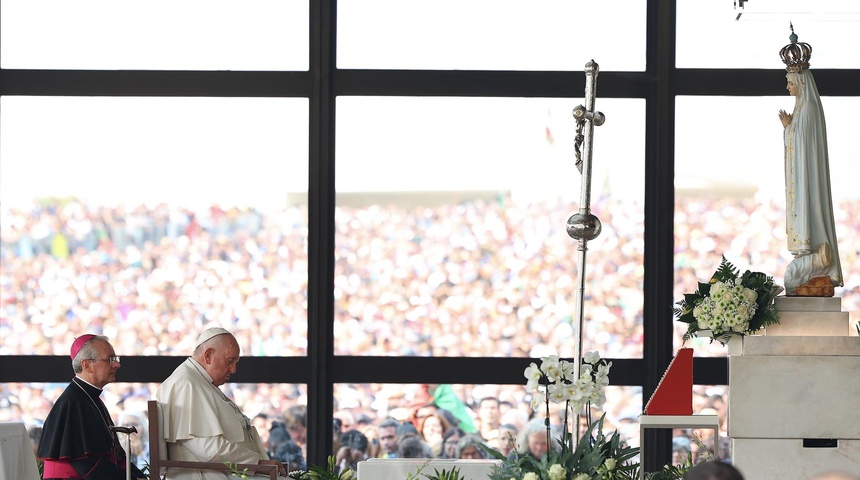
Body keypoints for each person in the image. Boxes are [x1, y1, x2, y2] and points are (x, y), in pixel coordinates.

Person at [156, 327, 286, 479]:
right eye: (230, 361)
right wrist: (257, 463)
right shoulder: (185, 384)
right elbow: (207, 448)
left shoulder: (201, 382)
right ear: (209, 355)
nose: (234, 369)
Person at [778, 25, 843, 295]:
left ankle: (817, 257)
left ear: (801, 81)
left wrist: (789, 128)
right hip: (803, 175)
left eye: (790, 82)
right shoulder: (803, 109)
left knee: (791, 278)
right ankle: (813, 261)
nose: (788, 86)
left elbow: (804, 144)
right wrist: (790, 127)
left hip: (808, 178)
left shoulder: (808, 109)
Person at [37, 334, 146, 479]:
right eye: (110, 360)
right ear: (87, 365)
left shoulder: (90, 398)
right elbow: (89, 465)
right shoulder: (73, 404)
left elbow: (116, 456)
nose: (116, 365)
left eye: (115, 359)